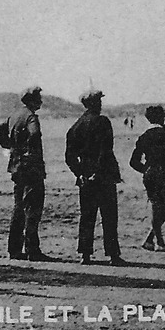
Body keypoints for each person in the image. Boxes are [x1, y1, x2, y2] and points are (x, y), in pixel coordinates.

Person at [64, 89, 125, 265]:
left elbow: (69, 156)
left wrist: (80, 173)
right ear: (93, 104)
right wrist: (98, 172)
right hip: (104, 175)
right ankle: (113, 255)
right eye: (98, 101)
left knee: (87, 215)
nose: (100, 104)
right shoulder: (103, 122)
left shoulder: (76, 125)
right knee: (109, 216)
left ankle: (85, 255)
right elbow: (106, 150)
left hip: (85, 177)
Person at [5, 86, 51, 261]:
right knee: (33, 208)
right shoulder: (31, 116)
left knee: (18, 209)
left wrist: (14, 149)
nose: (41, 101)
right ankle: (33, 250)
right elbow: (35, 134)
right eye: (38, 98)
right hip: (31, 168)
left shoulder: (14, 116)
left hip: (17, 167)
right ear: (32, 100)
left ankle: (14, 250)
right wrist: (29, 153)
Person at [130, 105, 165, 250]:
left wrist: (146, 170)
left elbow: (133, 162)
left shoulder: (144, 136)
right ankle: (158, 242)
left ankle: (151, 240)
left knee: (157, 205)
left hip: (150, 174)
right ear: (162, 117)